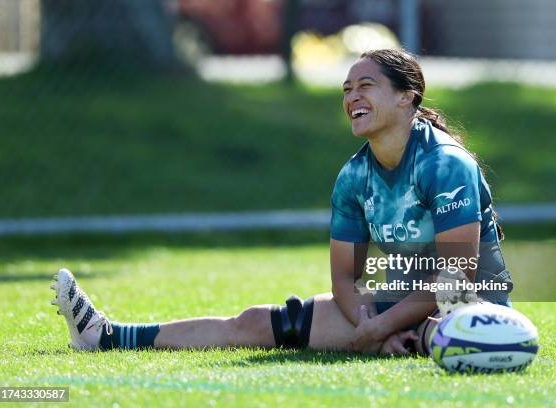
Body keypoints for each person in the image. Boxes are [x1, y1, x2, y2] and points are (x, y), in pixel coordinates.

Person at [50, 48, 511, 356]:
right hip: (395, 307)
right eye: (347, 89)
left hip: (469, 304)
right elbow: (345, 279)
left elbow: (458, 276)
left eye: (365, 85)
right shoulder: (353, 176)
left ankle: (427, 338)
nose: (352, 97)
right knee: (255, 323)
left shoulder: (443, 164)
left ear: (407, 96)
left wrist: (383, 329)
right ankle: (106, 336)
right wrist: (374, 325)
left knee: (448, 333)